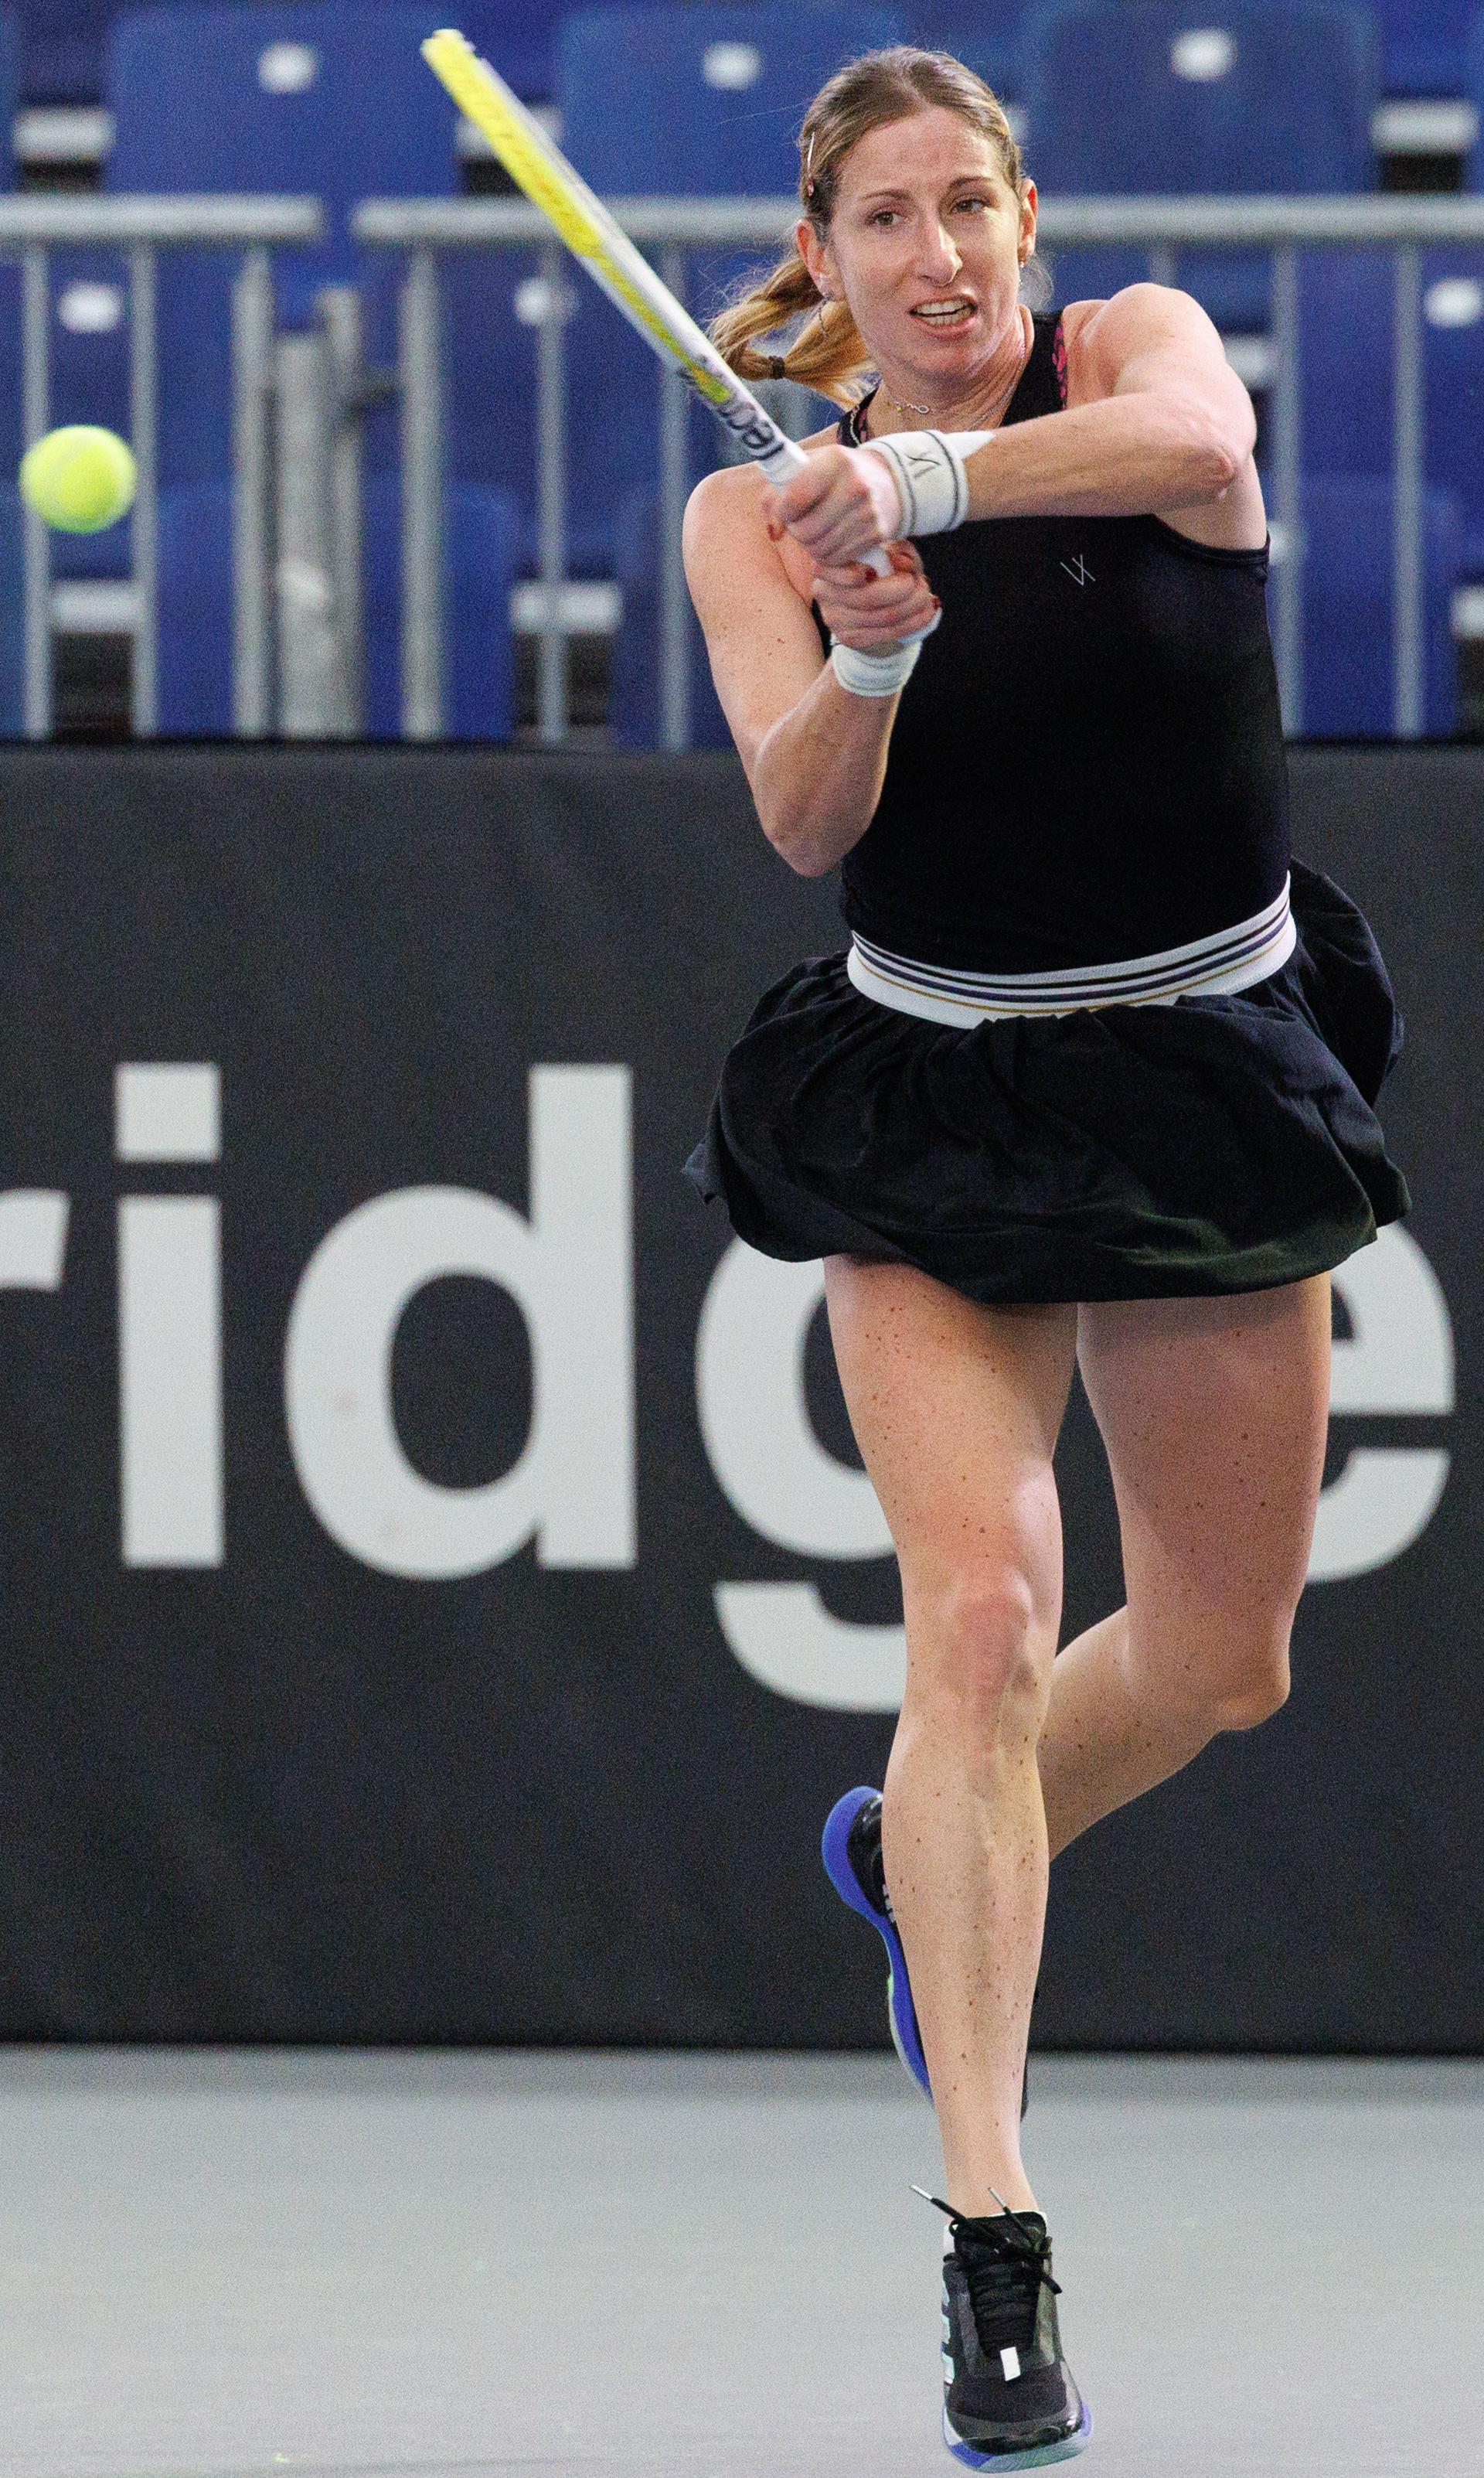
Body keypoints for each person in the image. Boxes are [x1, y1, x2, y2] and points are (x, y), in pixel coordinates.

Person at [682, 43, 1407, 2474]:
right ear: (827, 263)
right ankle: (997, 2246)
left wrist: (924, 477)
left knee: (1223, 1659)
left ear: (1027, 220)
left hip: (1198, 1064)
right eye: (884, 221)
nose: (940, 256)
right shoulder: (747, 517)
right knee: (977, 1623)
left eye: (971, 205)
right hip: (934, 1096)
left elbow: (1205, 463)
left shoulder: (1136, 361)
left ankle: (917, 1856)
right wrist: (867, 635)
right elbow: (804, 821)